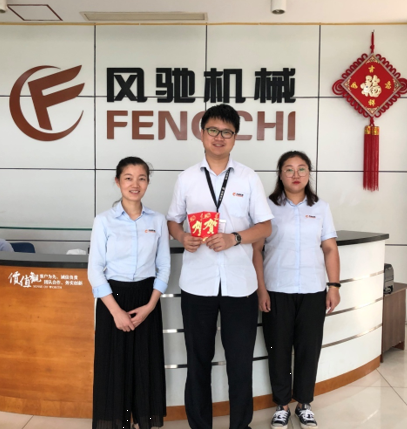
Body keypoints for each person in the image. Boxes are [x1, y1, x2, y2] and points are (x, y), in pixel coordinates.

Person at [167, 103, 274, 429]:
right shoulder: (187, 178)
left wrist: (235, 238)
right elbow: (173, 220)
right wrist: (182, 236)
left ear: (234, 138)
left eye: (227, 132)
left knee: (240, 363)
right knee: (197, 362)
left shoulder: (248, 177)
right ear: (202, 134)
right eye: (213, 130)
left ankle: (240, 425)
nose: (219, 137)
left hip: (240, 285)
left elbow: (265, 226)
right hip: (197, 283)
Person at [252, 151, 341, 429]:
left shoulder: (321, 207)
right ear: (280, 174)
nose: (295, 174)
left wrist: (334, 286)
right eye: (289, 169)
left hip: (313, 291)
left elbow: (330, 248)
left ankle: (304, 404)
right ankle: (281, 405)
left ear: (309, 174)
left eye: (301, 169)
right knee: (277, 349)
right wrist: (261, 289)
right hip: (277, 290)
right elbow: (256, 250)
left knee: (308, 349)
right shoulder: (266, 207)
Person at [88, 156, 170, 429]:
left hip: (147, 300)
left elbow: (164, 267)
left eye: (141, 178)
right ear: (117, 181)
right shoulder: (104, 221)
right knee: (115, 368)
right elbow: (95, 270)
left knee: (145, 366)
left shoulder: (158, 220)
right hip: (114, 300)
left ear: (147, 182)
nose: (135, 184)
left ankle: (141, 423)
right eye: (128, 178)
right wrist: (116, 312)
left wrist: (150, 306)